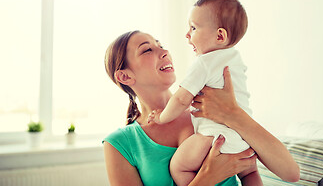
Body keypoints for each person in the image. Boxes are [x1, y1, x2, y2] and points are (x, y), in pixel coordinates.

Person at [103, 30, 300, 186]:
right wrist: (207, 177)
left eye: (161, 45)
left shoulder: (210, 112)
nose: (164, 52)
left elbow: (291, 173)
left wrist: (234, 114)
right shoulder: (119, 144)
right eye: (147, 50)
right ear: (125, 76)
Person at [147, 0, 260, 185]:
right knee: (249, 173)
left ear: (220, 36)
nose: (187, 34)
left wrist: (161, 118)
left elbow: (181, 99)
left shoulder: (204, 62)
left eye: (193, 27)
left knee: (178, 166)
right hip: (243, 136)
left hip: (214, 137)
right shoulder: (235, 58)